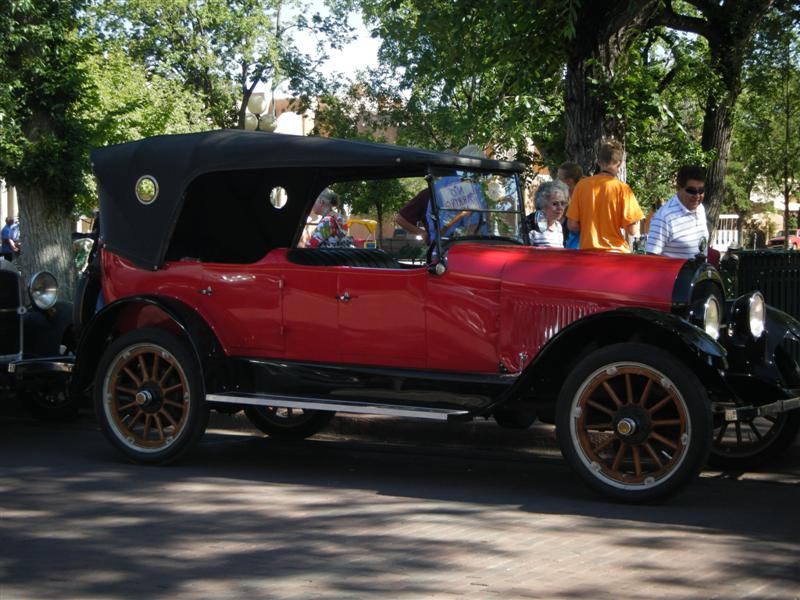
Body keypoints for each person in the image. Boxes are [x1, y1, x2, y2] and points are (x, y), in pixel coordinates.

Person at [566, 140, 644, 252]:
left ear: (598, 162)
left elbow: (572, 225)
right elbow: (632, 230)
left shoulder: (582, 186)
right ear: (620, 163)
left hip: (588, 253)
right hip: (616, 254)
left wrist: (590, 225)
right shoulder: (623, 189)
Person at [645, 165, 708, 259]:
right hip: (675, 274)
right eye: (691, 191)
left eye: (701, 191)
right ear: (678, 188)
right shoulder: (664, 218)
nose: (697, 195)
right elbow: (651, 259)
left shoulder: (700, 208)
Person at [528, 180, 569, 248]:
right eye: (555, 204)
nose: (560, 208)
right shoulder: (532, 227)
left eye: (563, 203)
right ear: (543, 204)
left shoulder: (558, 226)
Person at [557, 161, 583, 248]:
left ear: (569, 181)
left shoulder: (582, 196)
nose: (557, 181)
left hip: (577, 243)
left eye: (560, 178)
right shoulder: (562, 195)